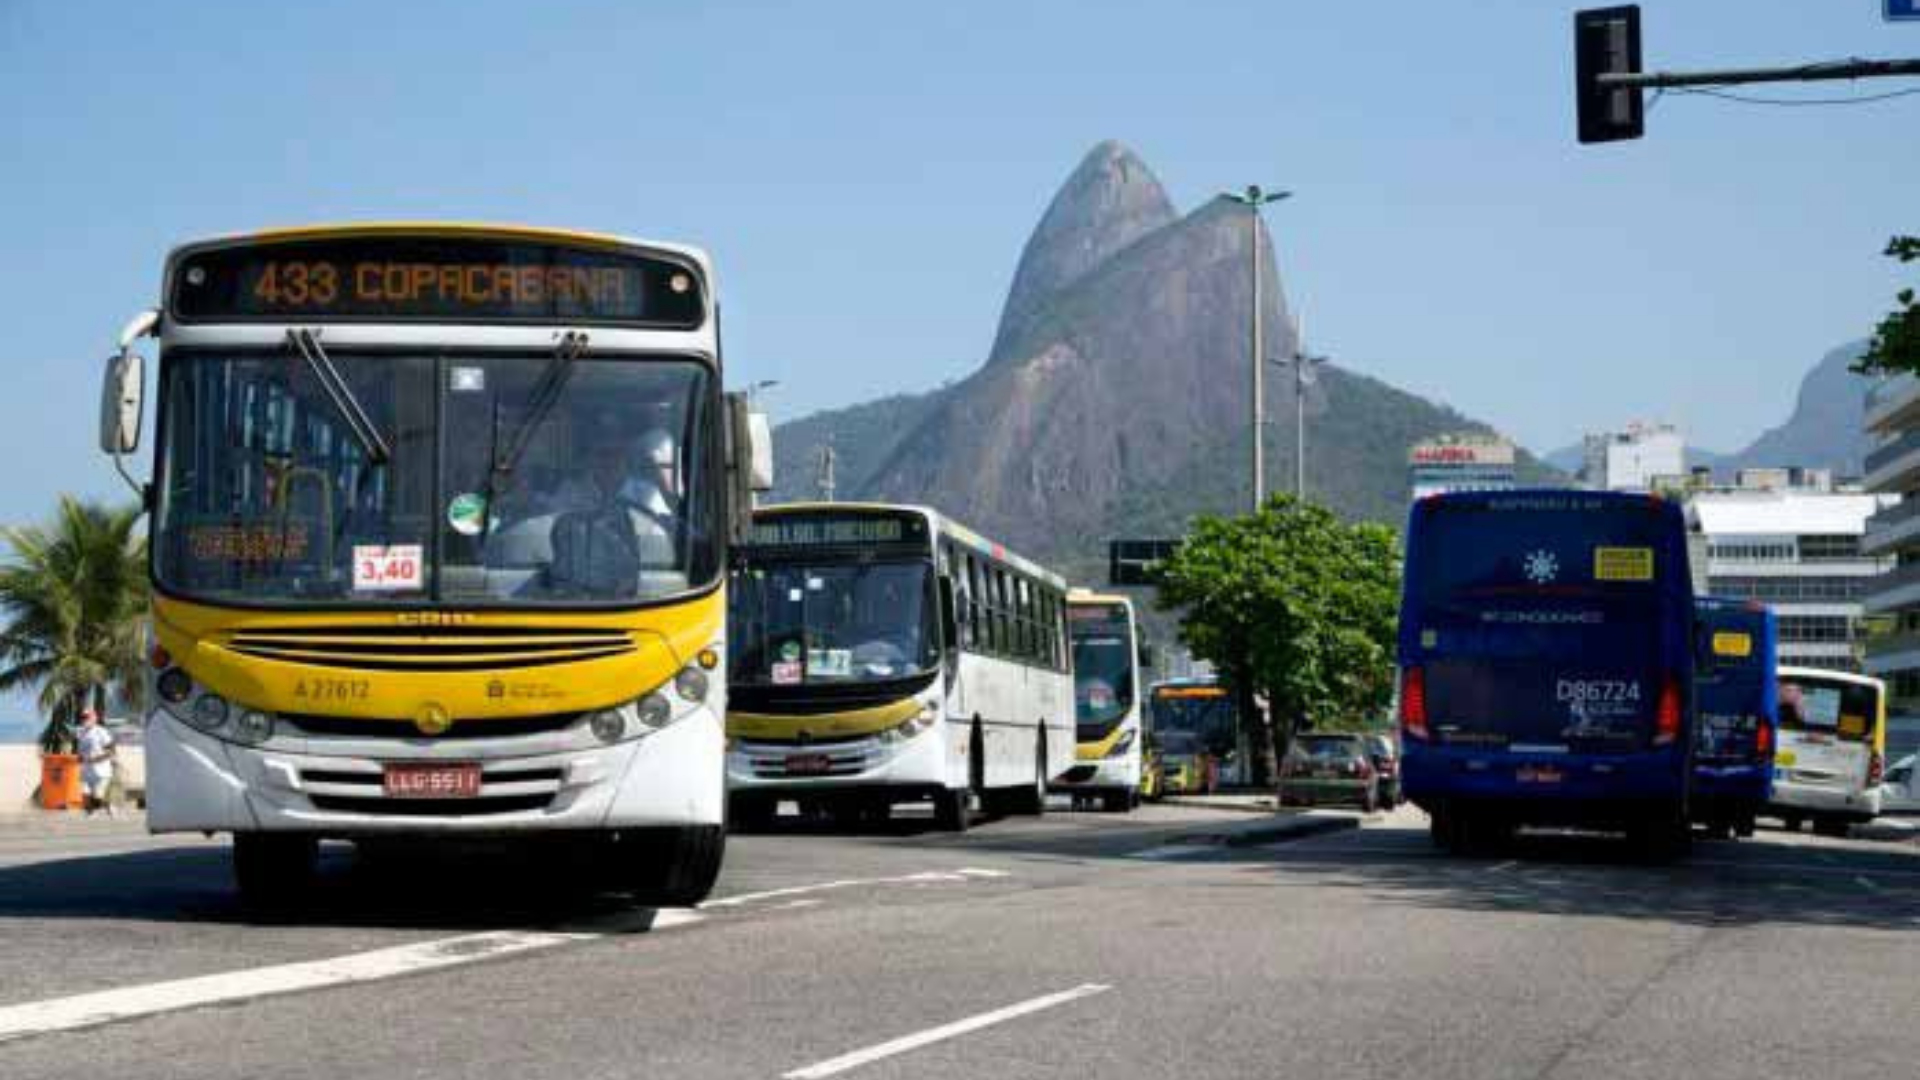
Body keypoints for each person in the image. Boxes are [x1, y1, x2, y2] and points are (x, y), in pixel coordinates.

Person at [75, 709, 117, 818]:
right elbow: (80, 751)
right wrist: (79, 758)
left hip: (101, 771)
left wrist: (98, 758)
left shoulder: (101, 732)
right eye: (83, 717)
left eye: (87, 717)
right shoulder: (81, 733)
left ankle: (108, 806)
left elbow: (112, 750)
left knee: (98, 796)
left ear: (94, 718)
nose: (85, 720)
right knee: (85, 794)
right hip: (86, 770)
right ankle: (90, 813)